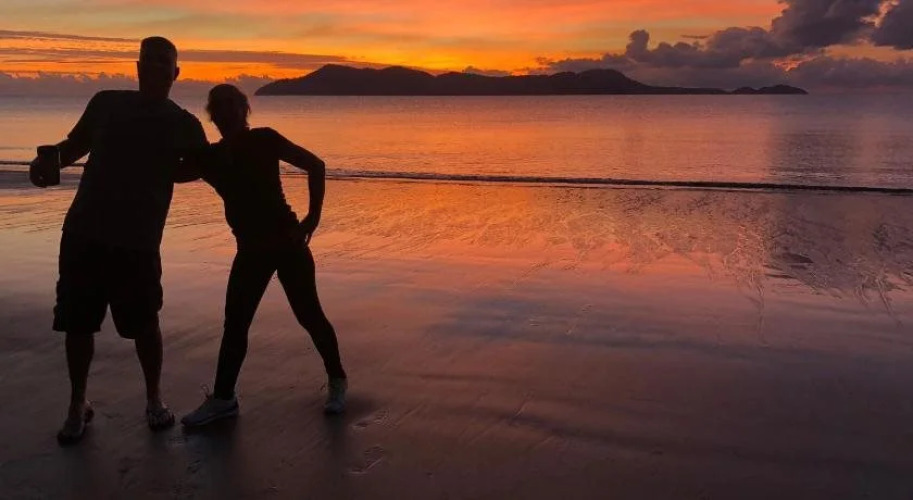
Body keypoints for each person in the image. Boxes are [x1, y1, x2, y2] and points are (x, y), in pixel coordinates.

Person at [29, 36, 208, 445]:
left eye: (164, 61)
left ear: (176, 73)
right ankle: (77, 403)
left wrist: (163, 171)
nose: (155, 67)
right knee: (77, 324)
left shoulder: (184, 124)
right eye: (149, 60)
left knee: (144, 324)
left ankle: (154, 398)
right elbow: (73, 147)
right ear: (138, 68)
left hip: (138, 241)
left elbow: (204, 167)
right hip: (84, 232)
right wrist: (44, 163)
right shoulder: (106, 103)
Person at [179, 84, 347, 428]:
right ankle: (223, 399)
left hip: (287, 243)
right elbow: (169, 171)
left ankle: (338, 380)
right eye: (218, 105)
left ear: (245, 110)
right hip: (250, 250)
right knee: (235, 324)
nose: (226, 110)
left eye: (232, 103)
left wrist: (312, 219)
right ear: (212, 115)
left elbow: (315, 165)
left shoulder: (264, 139)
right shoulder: (209, 157)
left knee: (309, 315)